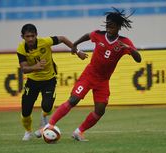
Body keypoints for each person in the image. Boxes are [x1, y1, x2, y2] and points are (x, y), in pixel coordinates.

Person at [43, 8, 142, 141]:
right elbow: (87, 35)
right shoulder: (98, 35)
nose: (108, 28)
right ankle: (49, 125)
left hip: (103, 81)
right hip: (90, 75)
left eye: (111, 26)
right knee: (73, 100)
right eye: (107, 25)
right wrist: (75, 45)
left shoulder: (124, 42)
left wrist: (130, 49)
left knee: (100, 110)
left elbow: (138, 59)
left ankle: (78, 132)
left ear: (118, 27)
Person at [17, 23, 88, 141]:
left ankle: (44, 118)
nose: (30, 39)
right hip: (32, 81)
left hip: (49, 80)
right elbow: (24, 69)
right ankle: (28, 131)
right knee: (25, 111)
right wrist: (36, 66)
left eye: (32, 36)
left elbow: (63, 38)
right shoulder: (21, 48)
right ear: (22, 37)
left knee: (47, 106)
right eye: (27, 36)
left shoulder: (45, 42)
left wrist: (77, 51)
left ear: (36, 35)